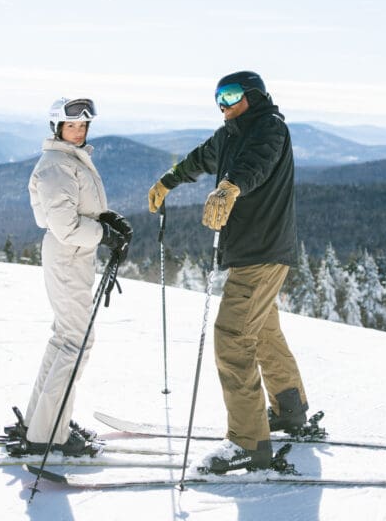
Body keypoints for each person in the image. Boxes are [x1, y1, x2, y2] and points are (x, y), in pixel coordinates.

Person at [148, 70, 308, 474]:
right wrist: (169, 180)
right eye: (218, 96)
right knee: (263, 331)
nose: (223, 103)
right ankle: (290, 409)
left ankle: (248, 442)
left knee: (233, 338)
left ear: (253, 96)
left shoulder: (270, 128)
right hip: (258, 252)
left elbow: (256, 164)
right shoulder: (228, 135)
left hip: (261, 252)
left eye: (232, 94)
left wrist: (230, 186)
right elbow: (199, 158)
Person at [6, 96, 132, 457]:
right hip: (68, 256)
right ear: (57, 127)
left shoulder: (69, 160)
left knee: (66, 339)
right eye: (71, 125)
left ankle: (43, 423)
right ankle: (48, 434)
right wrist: (104, 234)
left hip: (72, 256)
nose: (77, 131)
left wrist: (105, 218)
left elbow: (77, 211)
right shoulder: (57, 166)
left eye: (82, 125)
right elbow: (65, 227)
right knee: (76, 342)